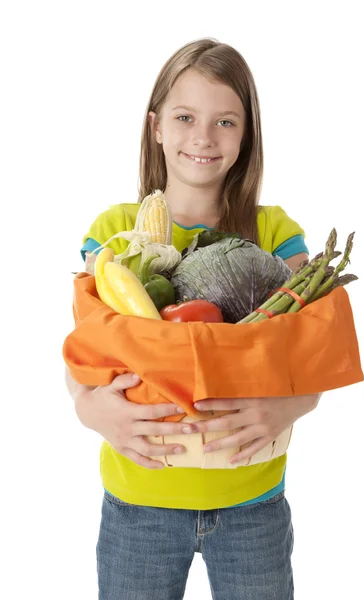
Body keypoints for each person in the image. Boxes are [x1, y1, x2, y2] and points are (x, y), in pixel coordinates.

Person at [65, 37, 322, 600]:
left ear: (246, 133)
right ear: (156, 126)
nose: (203, 137)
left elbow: (311, 355)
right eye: (185, 117)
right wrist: (89, 409)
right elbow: (84, 349)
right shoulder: (114, 229)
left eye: (226, 121)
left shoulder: (276, 233)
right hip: (140, 502)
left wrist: (294, 403)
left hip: (252, 502)